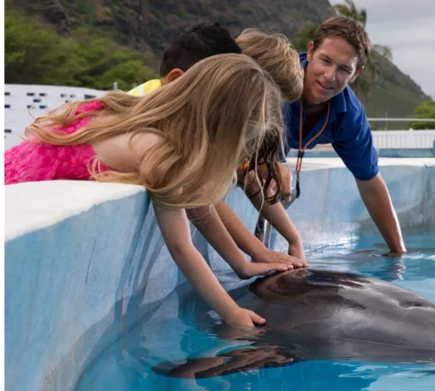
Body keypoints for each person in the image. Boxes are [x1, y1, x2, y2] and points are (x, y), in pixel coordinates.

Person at [4, 54, 287, 327]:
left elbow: (198, 203)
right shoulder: (162, 152)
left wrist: (242, 265)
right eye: (241, 142)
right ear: (222, 131)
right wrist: (233, 312)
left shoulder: (149, 120)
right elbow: (181, 247)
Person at [129, 24, 309, 272]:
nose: (265, 110)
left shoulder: (203, 116)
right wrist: (253, 255)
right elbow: (200, 197)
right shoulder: (177, 118)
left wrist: (293, 239)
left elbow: (248, 174)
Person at [278, 16, 407, 255]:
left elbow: (370, 182)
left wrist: (398, 254)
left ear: (356, 73)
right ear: (310, 50)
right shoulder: (277, 80)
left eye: (343, 69)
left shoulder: (351, 116)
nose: (330, 76)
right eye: (325, 61)